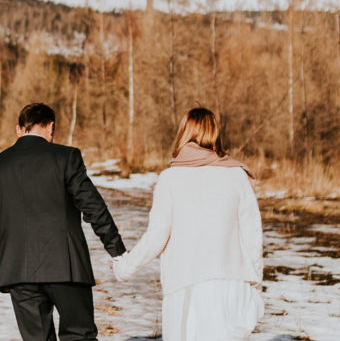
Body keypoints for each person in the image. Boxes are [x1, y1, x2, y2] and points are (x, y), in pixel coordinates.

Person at [112, 107, 264, 340]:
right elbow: (253, 235)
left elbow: (157, 236)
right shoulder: (236, 175)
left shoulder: (170, 178)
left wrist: (126, 268)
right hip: (232, 283)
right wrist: (255, 284)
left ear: (184, 132)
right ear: (214, 134)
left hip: (186, 286)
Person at [0, 102, 126, 341]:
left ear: (19, 129)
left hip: (18, 272)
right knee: (79, 336)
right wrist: (116, 250)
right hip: (66, 268)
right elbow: (93, 207)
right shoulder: (66, 157)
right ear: (51, 127)